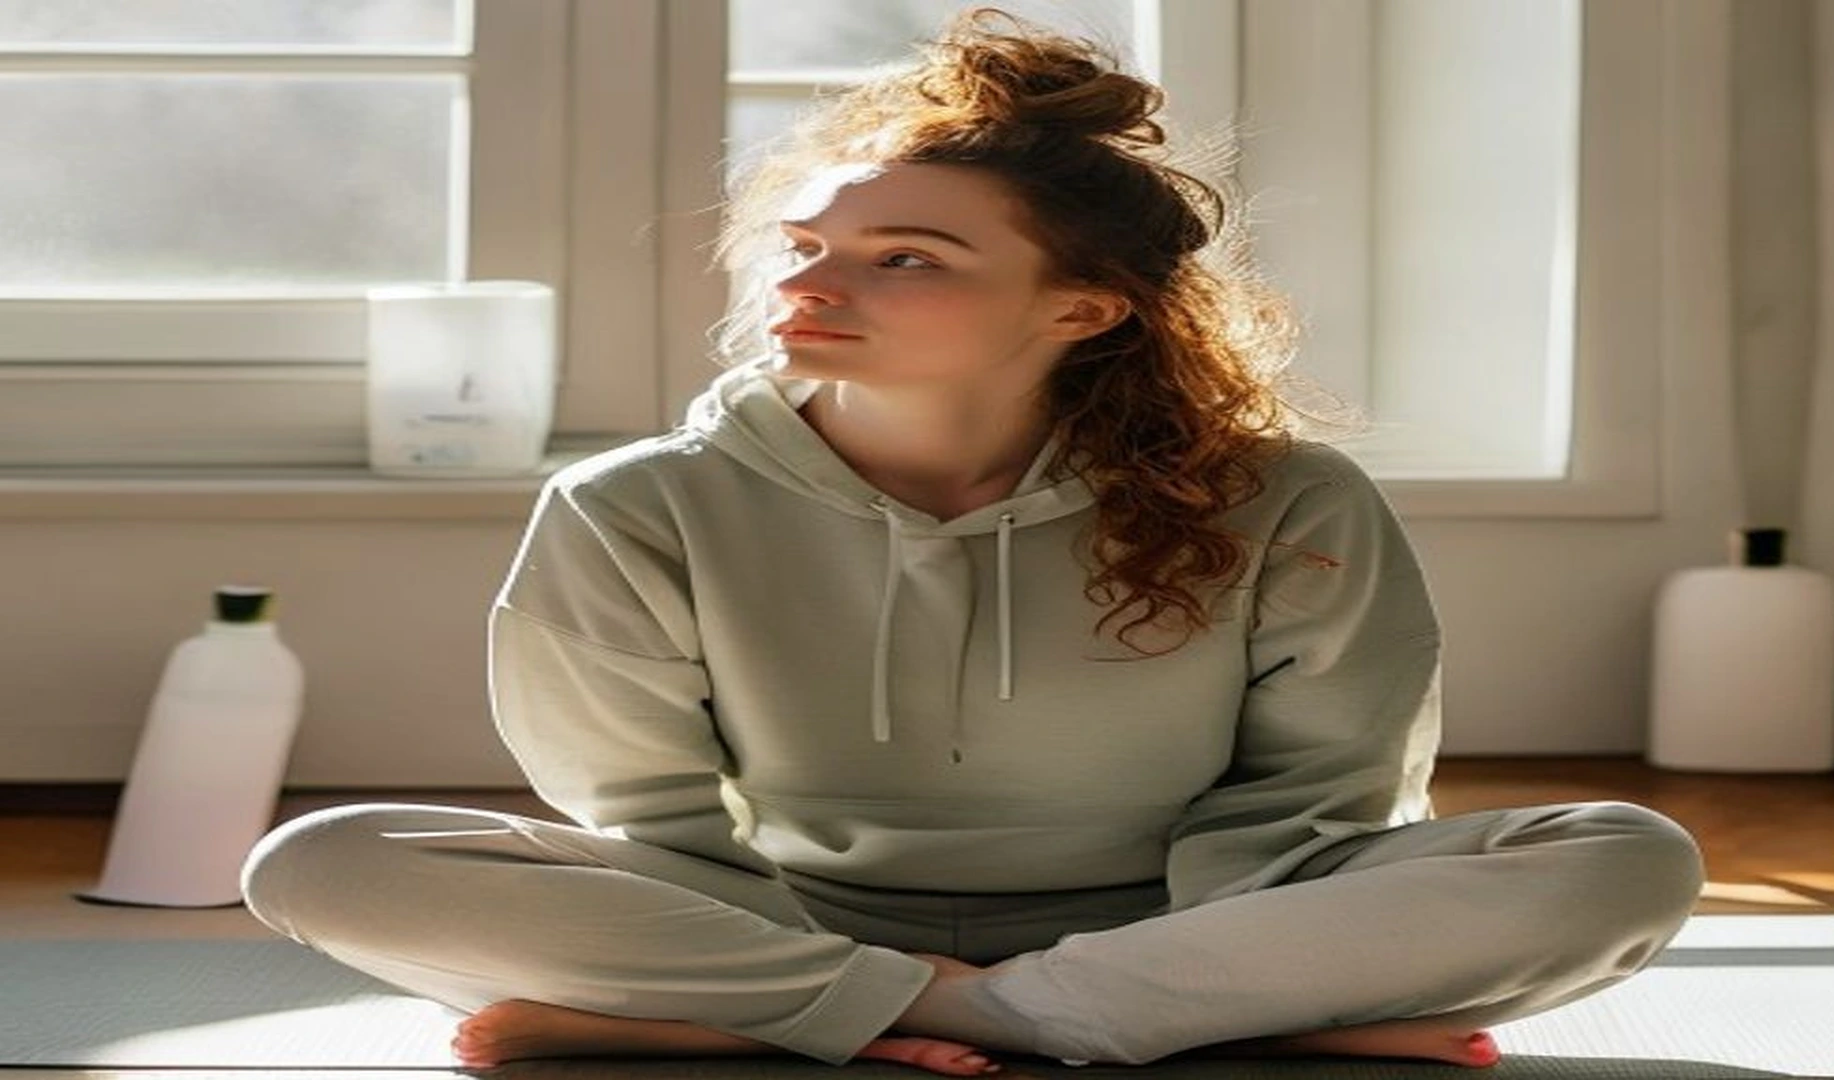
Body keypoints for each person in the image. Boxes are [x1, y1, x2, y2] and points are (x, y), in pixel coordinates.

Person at [240, 9, 1705, 1075]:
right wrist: (823, 967)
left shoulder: (1287, 497)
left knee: (1621, 858)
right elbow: (665, 833)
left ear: (1082, 308)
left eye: (907, 261)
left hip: (1189, 919)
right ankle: (1098, 1022)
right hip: (786, 916)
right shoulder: (633, 505)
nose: (815, 283)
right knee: (323, 860)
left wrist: (1193, 967)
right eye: (806, 245)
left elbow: (1314, 811)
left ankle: (822, 1026)